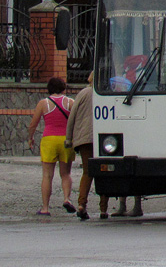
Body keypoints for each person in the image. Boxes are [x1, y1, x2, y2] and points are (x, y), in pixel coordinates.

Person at [26, 77, 75, 216]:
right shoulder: (70, 102)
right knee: (66, 173)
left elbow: (33, 124)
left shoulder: (43, 103)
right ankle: (67, 199)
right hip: (66, 140)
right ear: (63, 88)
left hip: (49, 140)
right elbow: (76, 120)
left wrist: (30, 137)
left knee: (47, 175)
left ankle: (45, 208)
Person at [65, 76, 109, 221]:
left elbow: (72, 117)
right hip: (105, 139)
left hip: (84, 138)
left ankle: (81, 204)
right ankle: (103, 209)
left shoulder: (83, 93)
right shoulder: (107, 93)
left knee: (87, 172)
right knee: (104, 172)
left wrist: (69, 138)